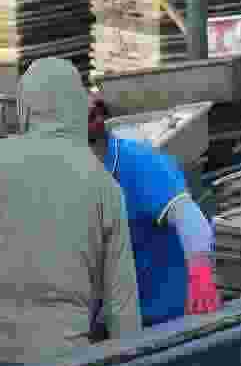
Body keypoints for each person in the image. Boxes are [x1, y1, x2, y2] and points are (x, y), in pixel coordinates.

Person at [0, 57, 138, 366]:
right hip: (64, 358)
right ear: (79, 108)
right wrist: (129, 364)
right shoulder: (106, 185)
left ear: (23, 107)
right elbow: (122, 298)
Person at [88, 103, 225, 329]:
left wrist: (200, 273)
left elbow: (191, 219)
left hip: (172, 319)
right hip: (119, 319)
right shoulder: (73, 180)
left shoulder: (139, 163)